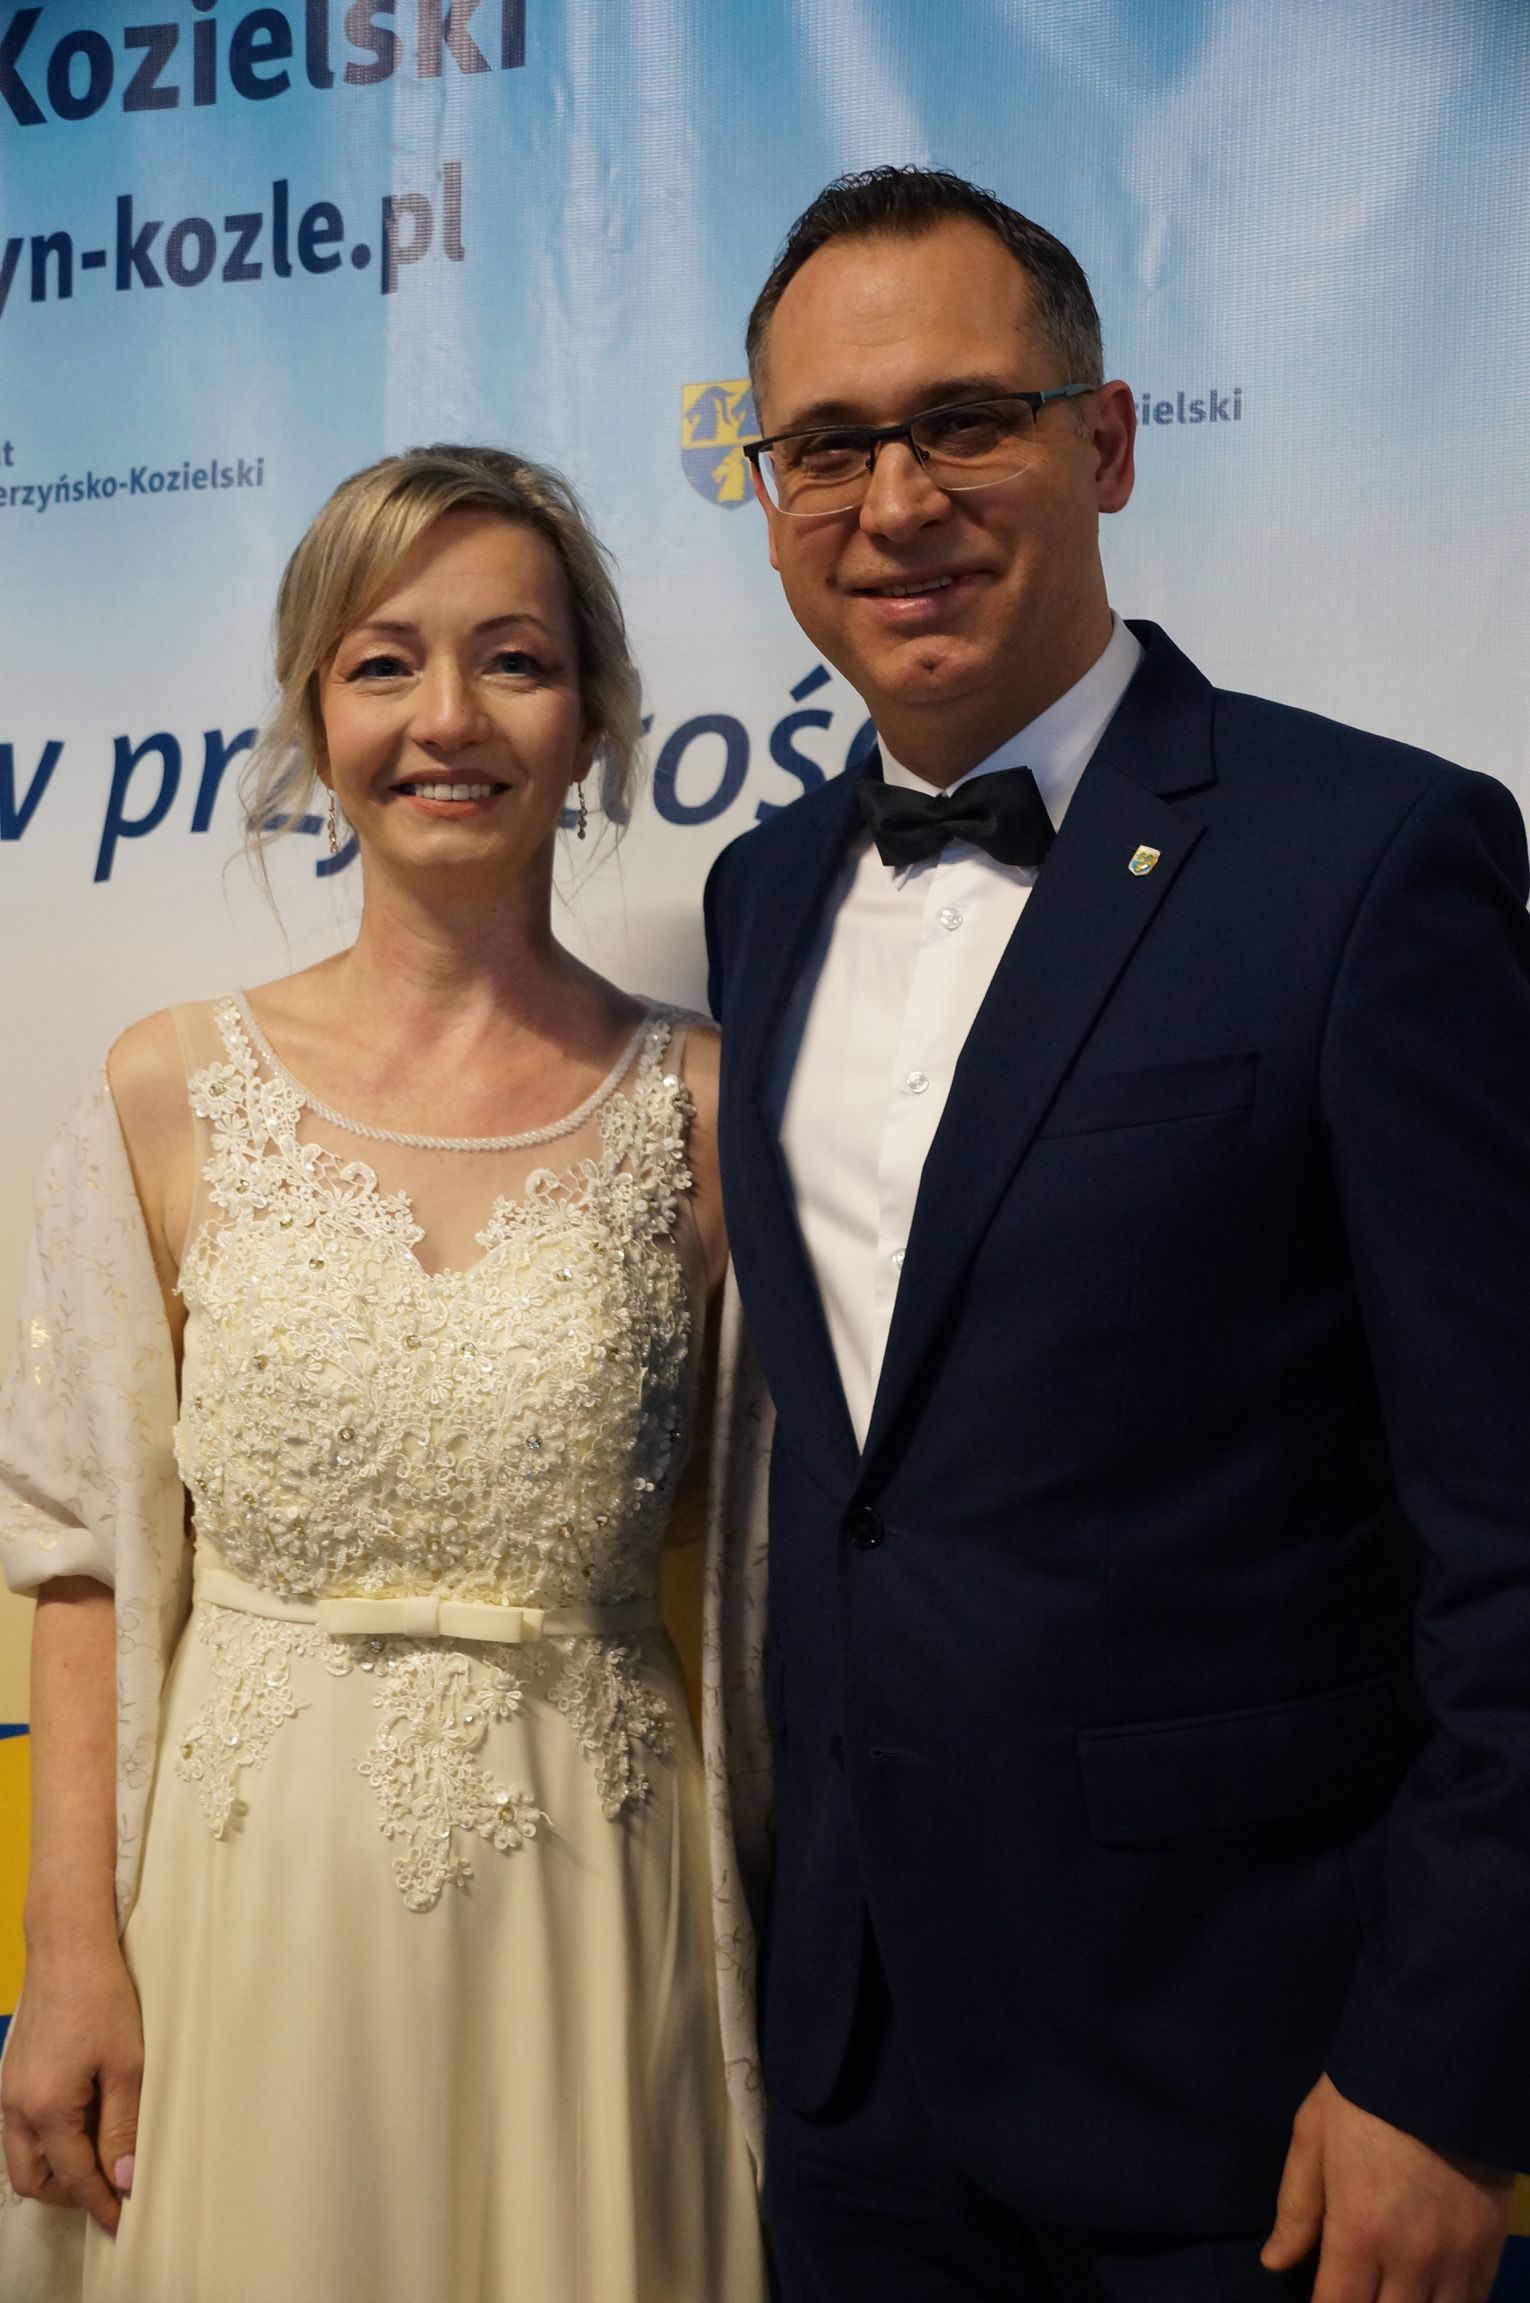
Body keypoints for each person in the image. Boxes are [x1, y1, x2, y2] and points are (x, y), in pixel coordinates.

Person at [703, 165, 1530, 2302]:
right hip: (857, 2091)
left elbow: (1511, 1525)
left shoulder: (1373, 860)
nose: (896, 501)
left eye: (965, 421)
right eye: (827, 446)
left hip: (1260, 2095)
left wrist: (1448, 2064)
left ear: (1108, 442)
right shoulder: (758, 899)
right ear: (768, 495)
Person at [0, 444, 766, 2303]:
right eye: (382, 662)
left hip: (598, 1906)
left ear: (592, 718)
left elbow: (765, 1570)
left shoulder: (712, 1109)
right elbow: (84, 1556)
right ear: (312, 716)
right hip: (246, 1909)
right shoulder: (163, 1093)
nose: (448, 719)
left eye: (513, 659)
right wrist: (68, 1955)